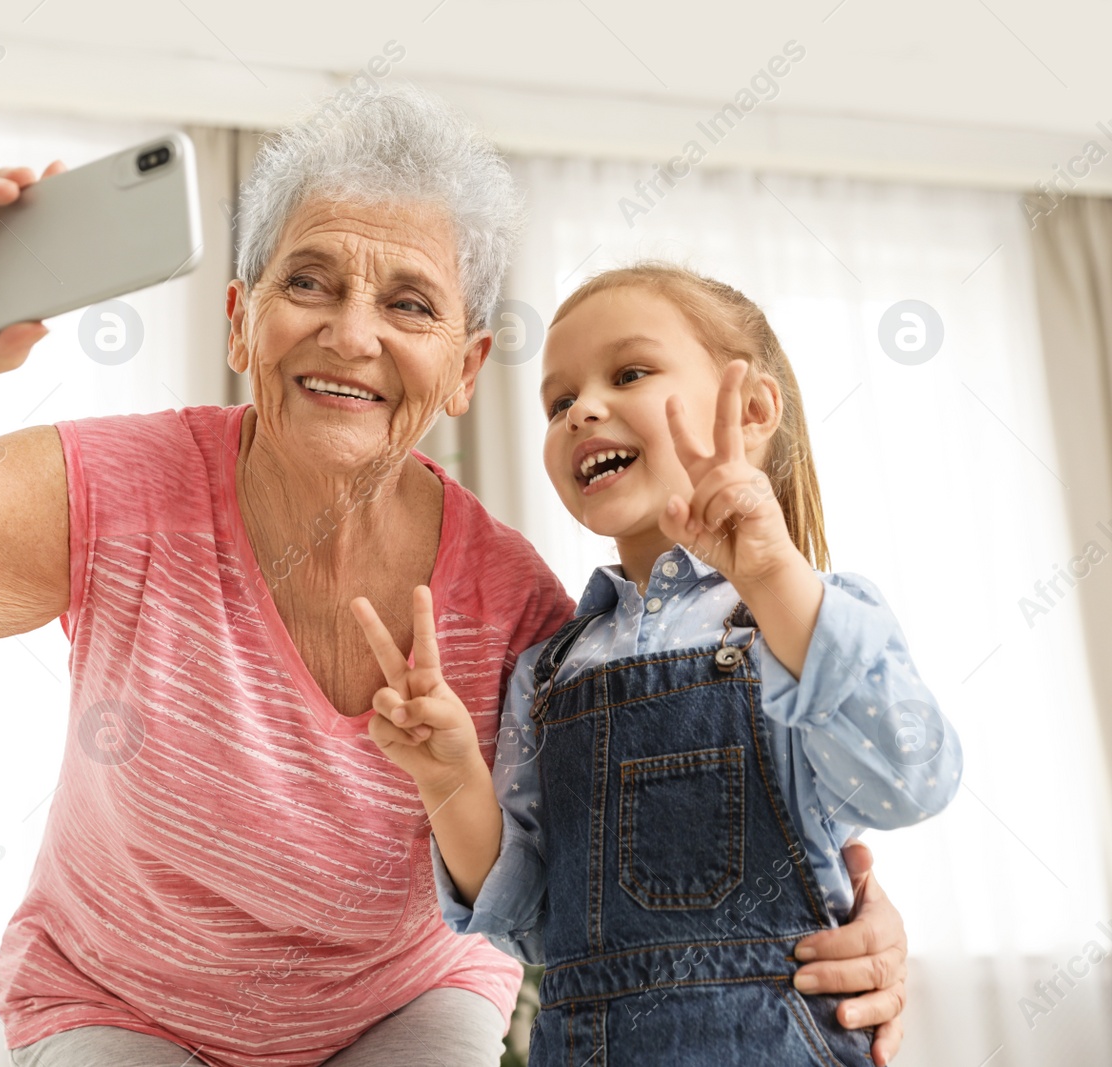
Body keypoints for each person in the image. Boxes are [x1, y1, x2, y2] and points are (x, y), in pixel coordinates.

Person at [0, 87, 913, 1067]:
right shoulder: (117, 491)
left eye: (408, 302)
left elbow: (629, 857)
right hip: (122, 997)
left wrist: (856, 929)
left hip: (403, 1004)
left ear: (461, 366)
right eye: (308, 282)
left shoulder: (520, 609)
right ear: (239, 322)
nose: (351, 332)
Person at [352, 263, 958, 1066]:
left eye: (628, 373)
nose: (582, 410)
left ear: (749, 410)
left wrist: (773, 572)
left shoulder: (809, 615)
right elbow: (529, 916)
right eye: (559, 401)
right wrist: (451, 777)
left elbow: (910, 778)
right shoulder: (550, 668)